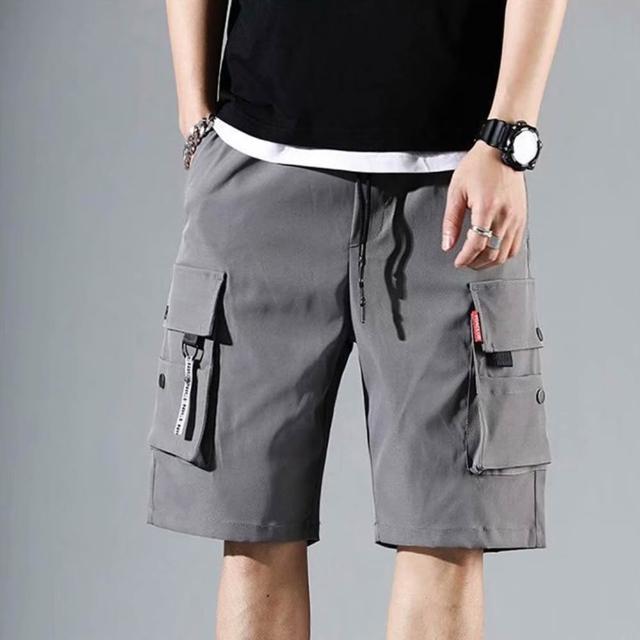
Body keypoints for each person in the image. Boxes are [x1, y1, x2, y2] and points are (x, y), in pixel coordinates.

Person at [146, 0, 567, 637]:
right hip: (260, 167)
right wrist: (194, 113)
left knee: (447, 539)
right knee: (254, 535)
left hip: (454, 187)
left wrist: (508, 139)